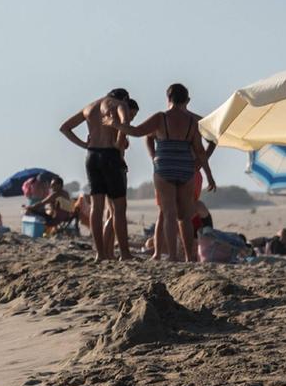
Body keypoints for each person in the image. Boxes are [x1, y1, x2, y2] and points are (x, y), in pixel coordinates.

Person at [115, 84, 217, 263]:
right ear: (186, 100)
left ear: (168, 98)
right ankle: (187, 257)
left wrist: (116, 124)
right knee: (184, 216)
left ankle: (172, 256)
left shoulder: (160, 118)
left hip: (164, 167)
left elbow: (138, 132)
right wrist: (208, 173)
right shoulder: (193, 122)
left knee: (168, 213)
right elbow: (200, 150)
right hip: (186, 168)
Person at [60, 87, 133, 261]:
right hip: (110, 155)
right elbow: (125, 124)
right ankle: (124, 253)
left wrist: (84, 145)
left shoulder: (90, 107)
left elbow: (65, 128)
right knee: (119, 208)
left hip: (92, 156)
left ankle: (100, 253)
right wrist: (119, 144)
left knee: (96, 206)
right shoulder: (119, 105)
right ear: (124, 98)